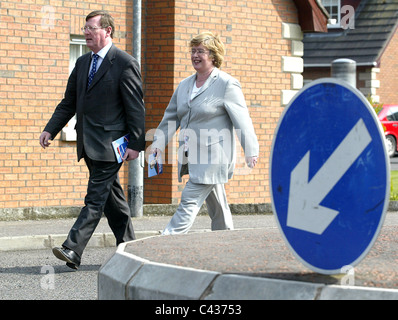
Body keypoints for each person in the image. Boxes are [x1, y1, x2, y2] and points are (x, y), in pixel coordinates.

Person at [39, 10, 145, 269]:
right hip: (88, 142)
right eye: (84, 28)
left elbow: (135, 108)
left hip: (112, 146)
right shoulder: (83, 62)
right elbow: (69, 103)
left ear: (107, 31)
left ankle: (73, 249)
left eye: (91, 28)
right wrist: (51, 129)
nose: (86, 32)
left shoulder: (124, 62)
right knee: (113, 201)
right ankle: (131, 250)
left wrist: (135, 144)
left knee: (95, 198)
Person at [151, 32, 259, 235]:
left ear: (214, 55)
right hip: (192, 154)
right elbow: (170, 118)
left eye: (201, 51)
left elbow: (242, 120)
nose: (195, 55)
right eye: (193, 51)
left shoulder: (227, 84)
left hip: (214, 156)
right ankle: (225, 239)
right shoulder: (184, 85)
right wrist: (157, 144)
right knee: (217, 203)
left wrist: (251, 150)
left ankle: (168, 239)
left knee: (189, 199)